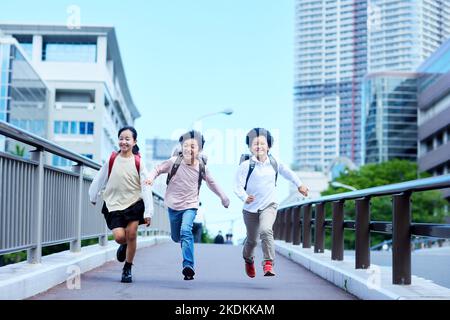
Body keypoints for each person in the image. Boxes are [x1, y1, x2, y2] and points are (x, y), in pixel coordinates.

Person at [146, 130, 230, 280]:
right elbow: (157, 169)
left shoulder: (201, 167)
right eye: (186, 145)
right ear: (181, 146)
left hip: (190, 205)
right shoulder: (174, 162)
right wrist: (151, 178)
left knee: (186, 231)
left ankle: (188, 266)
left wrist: (223, 197)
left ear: (200, 150)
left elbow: (212, 183)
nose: (189, 149)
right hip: (173, 205)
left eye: (193, 146)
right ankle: (182, 248)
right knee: (176, 236)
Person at [234, 128, 309, 278]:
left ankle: (268, 263)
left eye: (262, 143)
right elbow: (237, 186)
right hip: (250, 209)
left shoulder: (274, 163)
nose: (259, 146)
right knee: (252, 240)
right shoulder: (246, 165)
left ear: (268, 146)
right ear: (250, 147)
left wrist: (300, 185)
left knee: (266, 230)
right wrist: (244, 197)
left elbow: (288, 173)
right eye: (255, 144)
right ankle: (248, 259)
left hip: (269, 205)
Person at [89, 126, 153, 283]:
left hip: (134, 203)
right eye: (121, 138)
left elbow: (146, 187)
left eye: (127, 139)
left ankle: (127, 268)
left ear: (134, 142)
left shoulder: (139, 162)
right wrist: (93, 195)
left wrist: (148, 212)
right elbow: (100, 178)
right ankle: (124, 246)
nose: (123, 142)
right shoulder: (112, 159)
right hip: (113, 204)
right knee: (119, 237)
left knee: (131, 233)